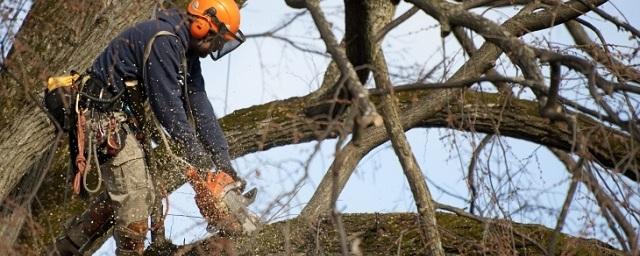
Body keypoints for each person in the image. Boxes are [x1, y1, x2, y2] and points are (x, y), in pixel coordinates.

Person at [50, 0, 251, 255]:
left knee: (141, 193)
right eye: (216, 40)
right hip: (102, 117)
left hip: (121, 121)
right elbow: (168, 109)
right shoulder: (164, 39)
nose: (215, 47)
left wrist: (223, 164)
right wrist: (200, 162)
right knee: (135, 201)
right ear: (202, 25)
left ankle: (65, 247)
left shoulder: (185, 51)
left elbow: (200, 106)